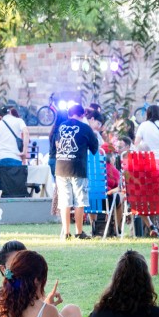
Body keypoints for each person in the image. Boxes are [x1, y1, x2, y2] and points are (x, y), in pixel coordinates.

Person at [53, 103, 99, 240]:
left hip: (61, 168)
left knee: (64, 201)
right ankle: (79, 232)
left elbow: (56, 145)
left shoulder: (61, 126)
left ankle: (66, 233)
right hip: (78, 167)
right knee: (80, 200)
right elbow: (94, 148)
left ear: (69, 114)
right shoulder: (85, 128)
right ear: (82, 114)